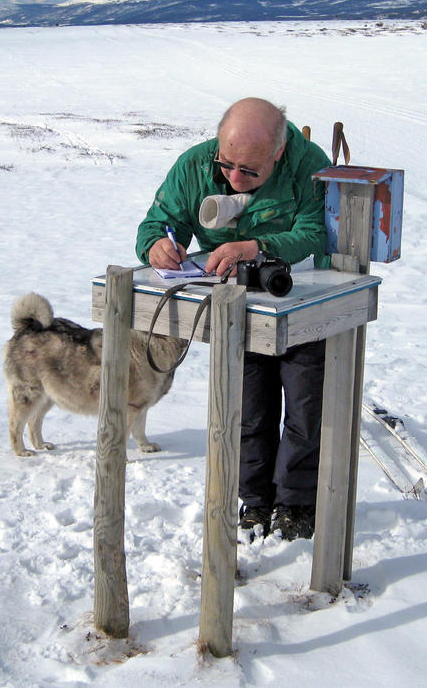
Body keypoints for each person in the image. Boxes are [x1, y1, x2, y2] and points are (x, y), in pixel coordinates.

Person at [136, 97, 329, 540]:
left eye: (250, 171)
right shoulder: (195, 166)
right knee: (247, 406)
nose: (235, 178)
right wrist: (156, 246)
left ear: (278, 153)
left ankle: (297, 505)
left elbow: (315, 230)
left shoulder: (307, 164)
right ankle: (256, 504)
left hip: (300, 301)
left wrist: (256, 248)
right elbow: (158, 222)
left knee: (304, 406)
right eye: (227, 165)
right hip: (234, 307)